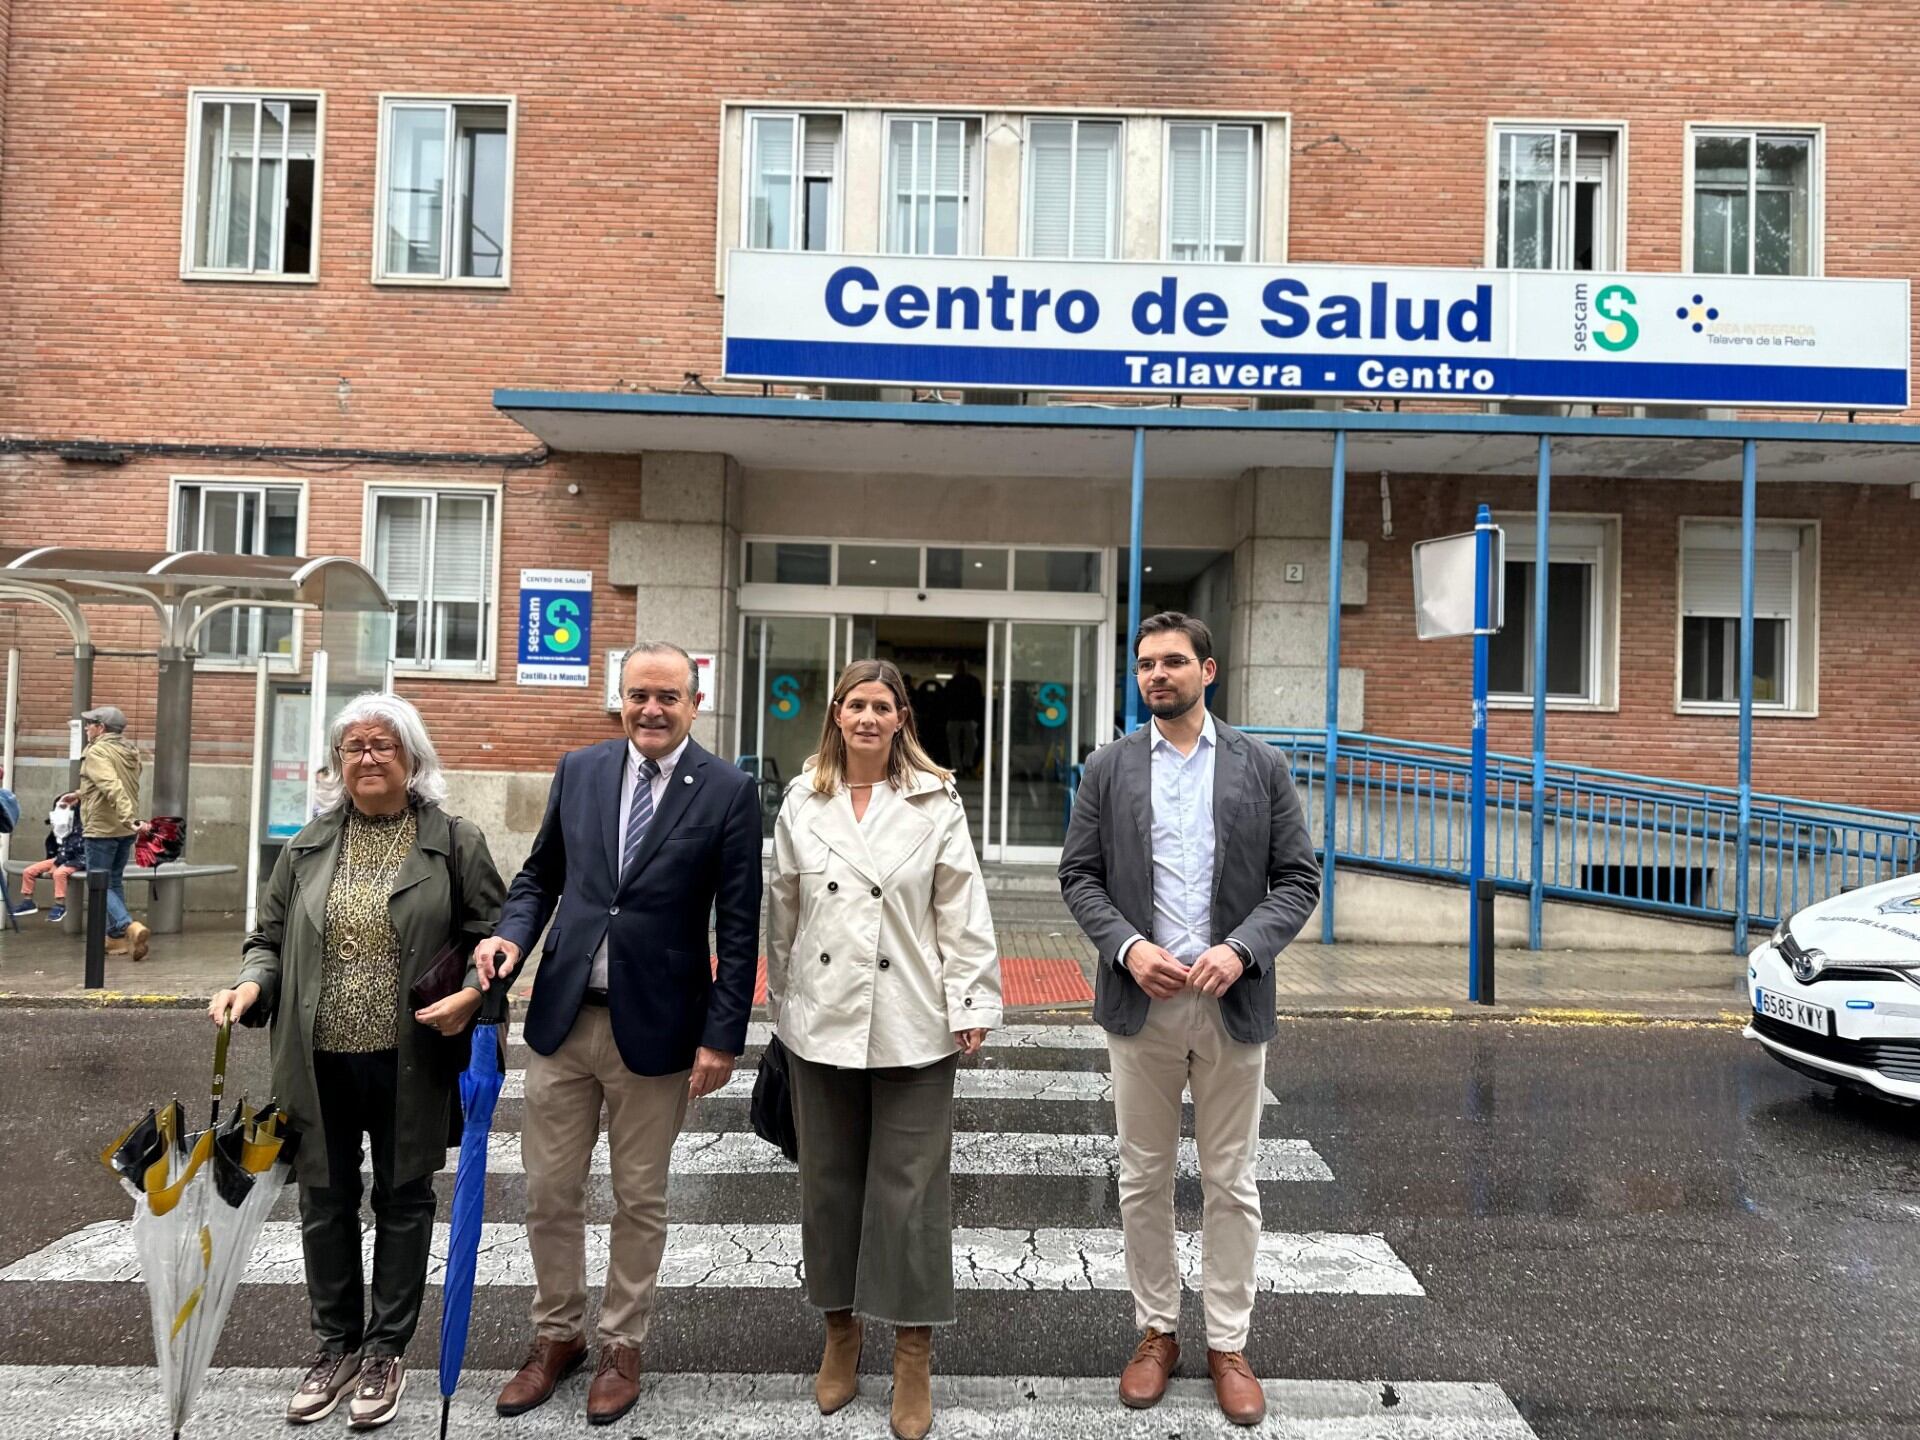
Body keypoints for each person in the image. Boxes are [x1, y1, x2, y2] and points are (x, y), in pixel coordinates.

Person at [478, 641, 762, 1427]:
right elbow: (541, 876)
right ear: (621, 698)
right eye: (639, 694)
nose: (651, 709)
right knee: (547, 1192)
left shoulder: (730, 791)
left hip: (662, 1027)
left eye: (668, 696)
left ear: (695, 703)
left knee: (640, 1198)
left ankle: (621, 1345)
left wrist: (722, 1036)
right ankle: (556, 1336)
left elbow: (739, 927)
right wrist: (511, 937)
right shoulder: (582, 769)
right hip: (565, 1018)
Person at [207, 692, 505, 1431]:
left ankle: (385, 1351)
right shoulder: (306, 845)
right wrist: (250, 984)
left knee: (404, 1200)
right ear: (337, 764)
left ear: (412, 758)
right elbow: (267, 940)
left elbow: (493, 935)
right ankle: (335, 1346)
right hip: (316, 1058)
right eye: (354, 748)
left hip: (409, 1057)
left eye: (383, 745)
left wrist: (473, 994)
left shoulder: (454, 841)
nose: (368, 759)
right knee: (324, 1201)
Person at [1057, 612, 1320, 1428]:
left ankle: (1229, 1344)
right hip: (1143, 1004)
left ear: (1208, 670)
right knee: (1141, 1177)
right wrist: (1128, 948)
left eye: (1173, 662)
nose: (1156, 675)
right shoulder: (1108, 767)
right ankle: (1156, 1332)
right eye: (1145, 665)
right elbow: (1081, 876)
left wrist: (1241, 950)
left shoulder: (1260, 765)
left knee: (1230, 1181)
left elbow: (1297, 880)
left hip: (1232, 1001)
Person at [766, 658, 1001, 1440]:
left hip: (912, 1019)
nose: (868, 718)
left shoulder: (936, 802)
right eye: (855, 705)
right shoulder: (803, 800)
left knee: (910, 1192)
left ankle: (911, 1353)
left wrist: (972, 999)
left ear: (903, 718)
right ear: (836, 714)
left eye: (882, 706)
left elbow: (960, 907)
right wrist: (782, 1001)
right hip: (821, 1019)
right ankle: (840, 1334)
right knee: (827, 1184)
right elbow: (784, 911)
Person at [76, 705, 147, 959]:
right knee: (114, 880)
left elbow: (112, 786)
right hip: (123, 830)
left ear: (101, 728)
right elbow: (122, 784)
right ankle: (115, 941)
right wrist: (80, 794)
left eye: (90, 724)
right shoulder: (128, 751)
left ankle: (128, 926)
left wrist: (129, 818)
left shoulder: (98, 752)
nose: (86, 728)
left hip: (103, 829)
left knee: (97, 883)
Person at [11, 799, 85, 922]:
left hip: (78, 859)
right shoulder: (63, 823)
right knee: (29, 871)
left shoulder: (81, 825)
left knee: (59, 874)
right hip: (62, 856)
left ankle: (59, 904)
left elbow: (73, 846)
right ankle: (28, 901)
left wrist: (56, 864)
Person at [943, 657, 984, 779]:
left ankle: (964, 765)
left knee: (966, 743)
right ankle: (962, 766)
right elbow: (978, 699)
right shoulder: (970, 682)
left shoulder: (953, 682)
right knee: (964, 743)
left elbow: (977, 700)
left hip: (962, 717)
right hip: (961, 716)